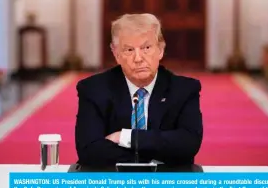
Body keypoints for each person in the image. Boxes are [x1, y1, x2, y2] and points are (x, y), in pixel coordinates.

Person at [75, 13, 203, 168]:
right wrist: (157, 153)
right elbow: (89, 151)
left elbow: (188, 144)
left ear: (160, 50)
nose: (138, 58)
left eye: (146, 48)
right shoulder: (93, 89)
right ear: (116, 54)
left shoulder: (184, 90)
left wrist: (127, 137)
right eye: (129, 50)